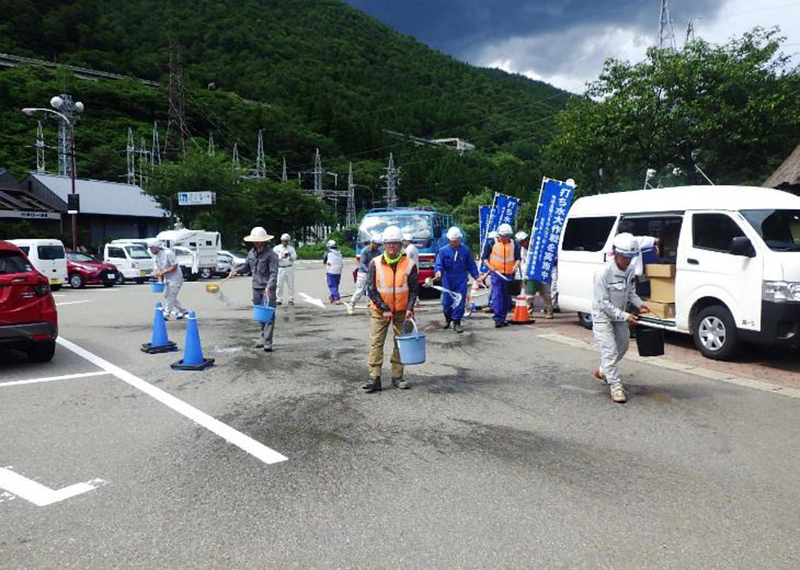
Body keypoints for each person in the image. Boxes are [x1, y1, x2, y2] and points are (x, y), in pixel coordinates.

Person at [592, 233, 650, 403]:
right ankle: (615, 384)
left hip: (620, 315)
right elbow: (602, 302)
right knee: (609, 350)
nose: (627, 261)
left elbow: (631, 292)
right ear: (615, 254)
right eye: (624, 257)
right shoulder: (603, 273)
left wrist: (639, 304)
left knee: (623, 346)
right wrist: (625, 316)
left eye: (630, 257)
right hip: (603, 315)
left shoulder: (630, 270)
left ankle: (605, 371)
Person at [362, 225, 419, 393]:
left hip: (403, 311)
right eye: (388, 243)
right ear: (383, 245)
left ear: (401, 244)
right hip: (380, 311)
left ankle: (397, 377)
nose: (392, 246)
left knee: (400, 344)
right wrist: (384, 308)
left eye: (395, 243)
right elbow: (371, 289)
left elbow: (414, 289)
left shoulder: (409, 264)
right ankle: (375, 377)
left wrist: (410, 307)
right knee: (376, 343)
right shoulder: (375, 263)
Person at [230, 227, 279, 352]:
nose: (256, 243)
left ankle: (268, 342)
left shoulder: (272, 255)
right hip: (256, 287)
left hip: (268, 288)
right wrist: (236, 271)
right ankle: (262, 337)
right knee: (260, 315)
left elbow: (274, 273)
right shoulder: (251, 253)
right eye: (254, 241)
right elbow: (246, 267)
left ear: (264, 241)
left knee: (269, 315)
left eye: (258, 241)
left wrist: (269, 287)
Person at [433, 227, 479, 333]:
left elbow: (471, 265)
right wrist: (438, 271)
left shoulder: (465, 250)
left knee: (459, 301)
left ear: (460, 239)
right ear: (449, 240)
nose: (455, 243)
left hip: (461, 279)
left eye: (457, 240)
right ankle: (448, 319)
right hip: (447, 279)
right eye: (453, 241)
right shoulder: (443, 251)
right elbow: (439, 264)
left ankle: (457, 322)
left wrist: (477, 277)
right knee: (446, 302)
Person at [481, 223, 521, 328]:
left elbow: (518, 258)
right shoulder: (491, 243)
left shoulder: (514, 244)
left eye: (507, 236)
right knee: (498, 295)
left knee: (506, 296)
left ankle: (503, 317)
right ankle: (498, 319)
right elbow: (484, 259)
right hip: (496, 274)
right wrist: (490, 267)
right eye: (503, 236)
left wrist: (515, 266)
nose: (504, 238)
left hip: (509, 274)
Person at [149, 241, 188, 320]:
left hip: (176, 278)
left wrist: (163, 272)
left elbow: (174, 266)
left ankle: (166, 314)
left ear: (157, 247)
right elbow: (158, 270)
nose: (151, 250)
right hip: (167, 278)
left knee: (171, 296)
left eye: (152, 248)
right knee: (168, 296)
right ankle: (184, 311)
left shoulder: (168, 253)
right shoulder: (156, 257)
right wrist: (159, 281)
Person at [346, 234, 383, 315]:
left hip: (372, 273)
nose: (378, 246)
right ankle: (351, 305)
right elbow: (362, 264)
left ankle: (370, 307)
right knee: (360, 290)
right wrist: (369, 271)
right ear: (372, 242)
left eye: (379, 245)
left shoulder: (378, 252)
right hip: (363, 273)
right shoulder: (365, 251)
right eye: (377, 244)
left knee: (371, 291)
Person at [273, 233, 297, 306]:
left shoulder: (291, 249)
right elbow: (273, 258)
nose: (285, 242)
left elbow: (294, 258)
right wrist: (281, 257)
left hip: (289, 267)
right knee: (279, 284)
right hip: (280, 268)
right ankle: (279, 299)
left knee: (290, 284)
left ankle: (291, 298)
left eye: (287, 241)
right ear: (281, 240)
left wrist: (290, 256)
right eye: (284, 241)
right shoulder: (277, 248)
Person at [323, 239, 344, 305]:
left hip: (331, 271)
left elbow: (324, 261)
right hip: (339, 271)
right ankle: (332, 297)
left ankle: (336, 299)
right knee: (336, 284)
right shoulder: (339, 253)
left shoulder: (328, 253)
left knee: (332, 285)